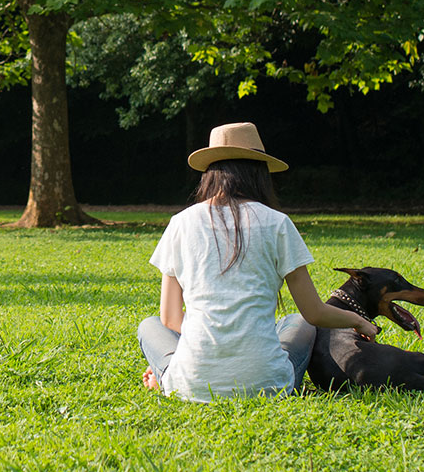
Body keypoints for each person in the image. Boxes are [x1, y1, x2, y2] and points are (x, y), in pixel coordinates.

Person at [137, 122, 380, 402]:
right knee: (297, 322)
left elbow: (170, 318)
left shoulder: (180, 223)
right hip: (267, 382)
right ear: (259, 172)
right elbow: (314, 313)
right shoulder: (277, 224)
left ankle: (166, 375)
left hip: (191, 383)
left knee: (150, 325)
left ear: (209, 174)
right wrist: (358, 321)